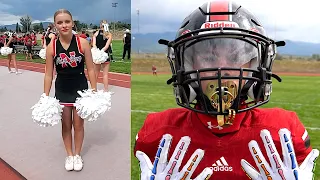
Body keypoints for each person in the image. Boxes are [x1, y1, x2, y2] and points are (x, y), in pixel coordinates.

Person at [133, 1, 318, 179]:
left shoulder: (284, 133)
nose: (222, 69)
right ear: (187, 66)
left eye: (236, 56)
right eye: (209, 57)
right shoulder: (157, 134)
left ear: (256, 64)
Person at [43, 8, 97, 172]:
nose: (64, 25)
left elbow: (92, 69)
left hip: (80, 88)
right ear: (55, 26)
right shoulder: (52, 47)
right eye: (60, 22)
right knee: (66, 124)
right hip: (62, 88)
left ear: (73, 23)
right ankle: (69, 154)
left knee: (79, 124)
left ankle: (77, 154)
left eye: (67, 21)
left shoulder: (83, 43)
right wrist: (45, 97)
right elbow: (48, 74)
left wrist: (94, 91)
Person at [92, 20, 113, 91]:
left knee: (96, 73)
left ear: (100, 25)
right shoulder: (109, 34)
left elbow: (94, 45)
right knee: (105, 74)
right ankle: (106, 90)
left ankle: (94, 89)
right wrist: (102, 52)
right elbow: (107, 46)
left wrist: (97, 53)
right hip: (105, 56)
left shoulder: (95, 34)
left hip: (97, 56)